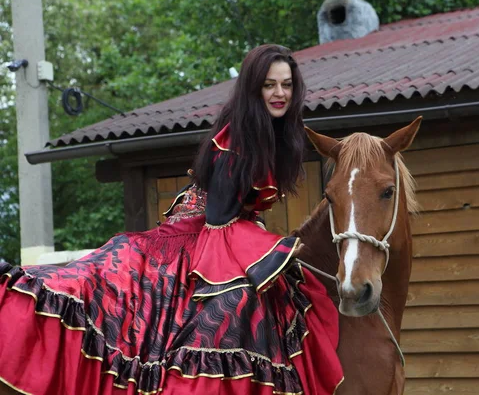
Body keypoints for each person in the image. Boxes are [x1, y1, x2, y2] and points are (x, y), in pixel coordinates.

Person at [0, 44, 343, 395]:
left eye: (286, 85)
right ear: (254, 87)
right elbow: (218, 217)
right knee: (233, 302)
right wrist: (269, 245)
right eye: (270, 85)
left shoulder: (274, 135)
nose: (279, 93)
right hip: (196, 237)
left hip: (213, 235)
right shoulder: (236, 140)